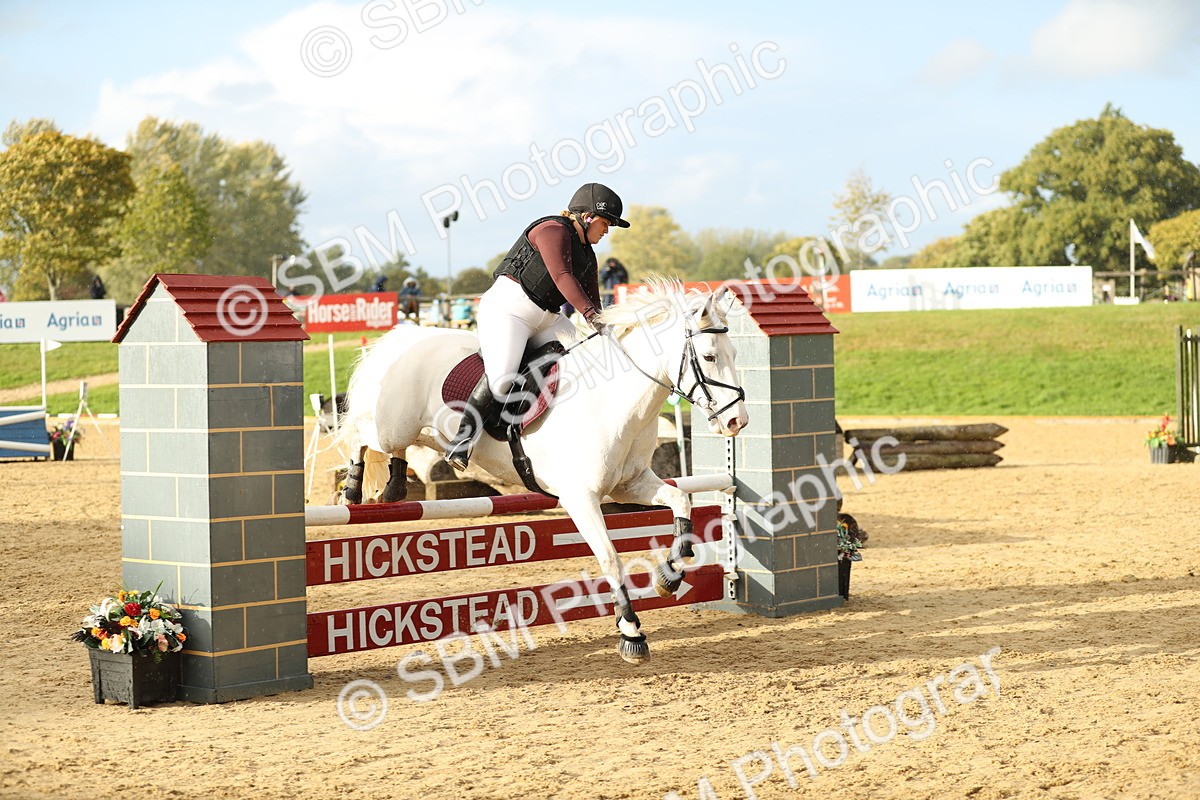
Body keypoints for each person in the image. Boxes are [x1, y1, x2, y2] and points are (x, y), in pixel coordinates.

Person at [444, 182, 630, 470]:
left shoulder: (588, 255)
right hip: (509, 310)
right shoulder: (551, 231)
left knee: (589, 352)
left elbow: (594, 299)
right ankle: (461, 440)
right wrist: (592, 316)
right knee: (503, 380)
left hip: (546, 317)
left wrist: (608, 331)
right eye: (606, 223)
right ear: (588, 217)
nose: (607, 231)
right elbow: (561, 276)